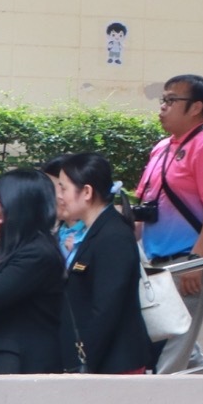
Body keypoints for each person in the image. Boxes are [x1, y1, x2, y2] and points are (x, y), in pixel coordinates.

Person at [135, 73, 203, 374]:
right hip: (157, 264)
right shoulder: (162, 148)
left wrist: (197, 260)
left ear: (196, 107)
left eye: (171, 100)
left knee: (175, 346)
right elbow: (146, 206)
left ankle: (156, 398)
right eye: (163, 100)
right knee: (181, 343)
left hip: (190, 263)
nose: (162, 107)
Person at [46, 153, 153, 374]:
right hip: (101, 362)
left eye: (63, 188)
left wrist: (84, 361)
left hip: (114, 365)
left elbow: (106, 309)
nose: (59, 196)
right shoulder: (96, 231)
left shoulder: (113, 235)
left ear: (86, 192)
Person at [0, 167, 65, 374]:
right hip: (10, 365)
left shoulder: (36, 255)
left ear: (12, 206)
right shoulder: (29, 250)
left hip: (18, 368)